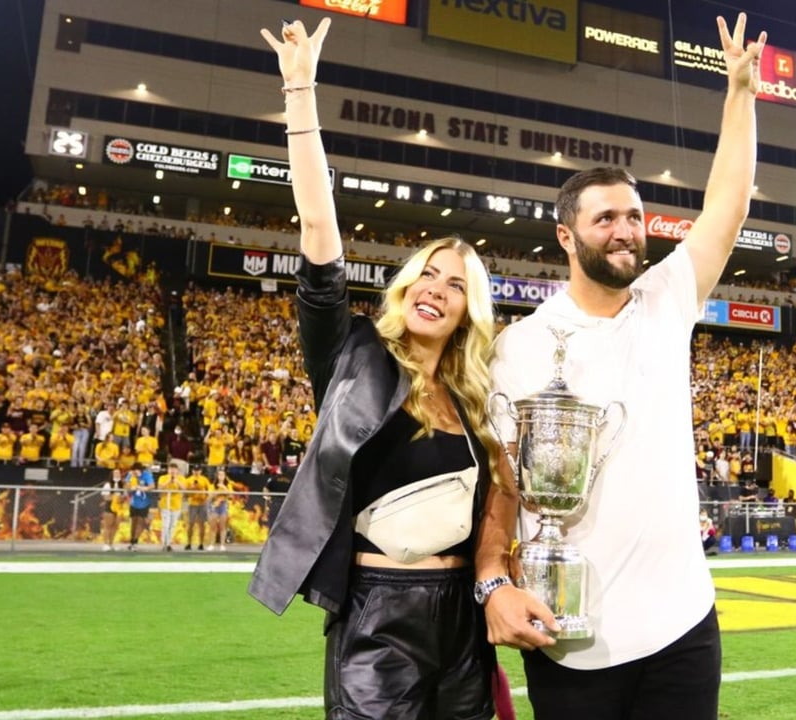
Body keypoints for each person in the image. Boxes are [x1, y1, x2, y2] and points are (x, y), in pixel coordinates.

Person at [474, 14, 765, 719]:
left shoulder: (666, 298)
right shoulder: (521, 346)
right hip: (573, 634)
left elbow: (726, 204)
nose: (626, 230)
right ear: (566, 236)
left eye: (633, 216)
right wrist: (491, 582)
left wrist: (741, 93)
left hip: (683, 622)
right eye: (605, 218)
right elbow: (503, 486)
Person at [248, 17, 502, 720]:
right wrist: (301, 92)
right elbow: (320, 243)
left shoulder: (475, 393)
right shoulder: (353, 354)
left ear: (466, 311)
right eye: (427, 273)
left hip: (464, 621)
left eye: (455, 284)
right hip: (376, 613)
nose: (436, 288)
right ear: (404, 285)